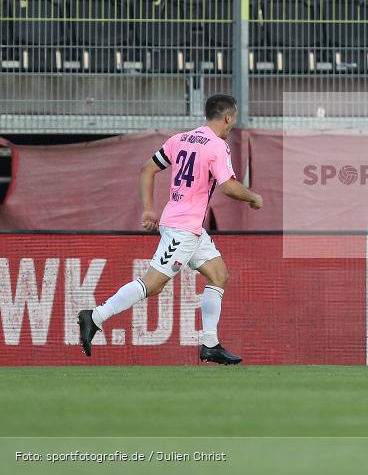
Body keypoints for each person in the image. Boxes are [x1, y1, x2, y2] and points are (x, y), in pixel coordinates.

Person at [78, 94, 263, 364]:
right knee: (152, 286)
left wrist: (149, 208)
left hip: (188, 226)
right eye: (234, 116)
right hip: (182, 228)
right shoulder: (216, 146)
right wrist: (253, 197)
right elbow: (228, 186)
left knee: (219, 275)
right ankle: (94, 316)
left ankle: (210, 344)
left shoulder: (181, 139)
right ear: (228, 117)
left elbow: (147, 169)